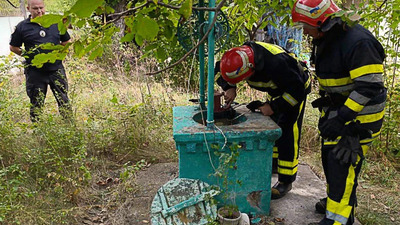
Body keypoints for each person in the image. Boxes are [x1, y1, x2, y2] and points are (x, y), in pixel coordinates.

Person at [291, 0, 386, 224]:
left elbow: (369, 86)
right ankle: (338, 200)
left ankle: (338, 219)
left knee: (341, 163)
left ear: (322, 22)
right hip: (340, 110)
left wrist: (344, 119)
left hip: (360, 117)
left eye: (306, 25)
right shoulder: (329, 38)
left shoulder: (358, 42)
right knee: (330, 158)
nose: (304, 31)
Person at [216, 41, 311, 199]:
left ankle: (286, 180)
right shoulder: (234, 58)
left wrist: (273, 106)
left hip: (294, 91)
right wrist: (228, 87)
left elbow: (297, 91)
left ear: (252, 68)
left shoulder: (277, 63)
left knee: (287, 131)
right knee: (273, 126)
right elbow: (219, 71)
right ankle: (273, 165)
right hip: (277, 89)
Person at [9, 0, 72, 122]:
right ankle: (38, 133)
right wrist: (29, 56)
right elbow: (13, 47)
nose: (39, 11)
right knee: (36, 104)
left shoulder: (55, 23)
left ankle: (70, 128)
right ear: (28, 8)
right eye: (35, 9)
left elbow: (67, 42)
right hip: (35, 72)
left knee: (64, 100)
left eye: (41, 8)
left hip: (56, 70)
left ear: (45, 7)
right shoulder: (22, 27)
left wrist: (59, 55)